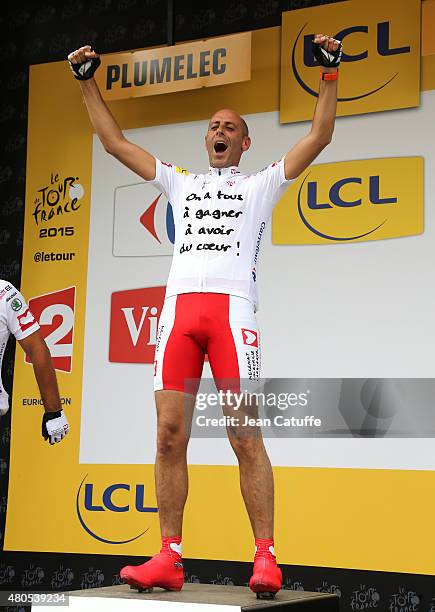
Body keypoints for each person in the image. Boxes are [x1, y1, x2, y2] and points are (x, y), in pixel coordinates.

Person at [67, 33, 341, 598]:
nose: (219, 132)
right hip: (178, 317)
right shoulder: (182, 183)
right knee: (169, 436)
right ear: (207, 139)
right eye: (213, 127)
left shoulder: (262, 184)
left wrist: (330, 73)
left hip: (231, 315)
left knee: (243, 433)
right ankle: (168, 556)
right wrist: (86, 81)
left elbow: (319, 135)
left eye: (230, 127)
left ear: (245, 141)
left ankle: (266, 556)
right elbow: (114, 142)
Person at [0, 279, 69, 444]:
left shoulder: (3, 292)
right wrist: (54, 412)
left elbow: (35, 347)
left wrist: (54, 411)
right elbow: (36, 347)